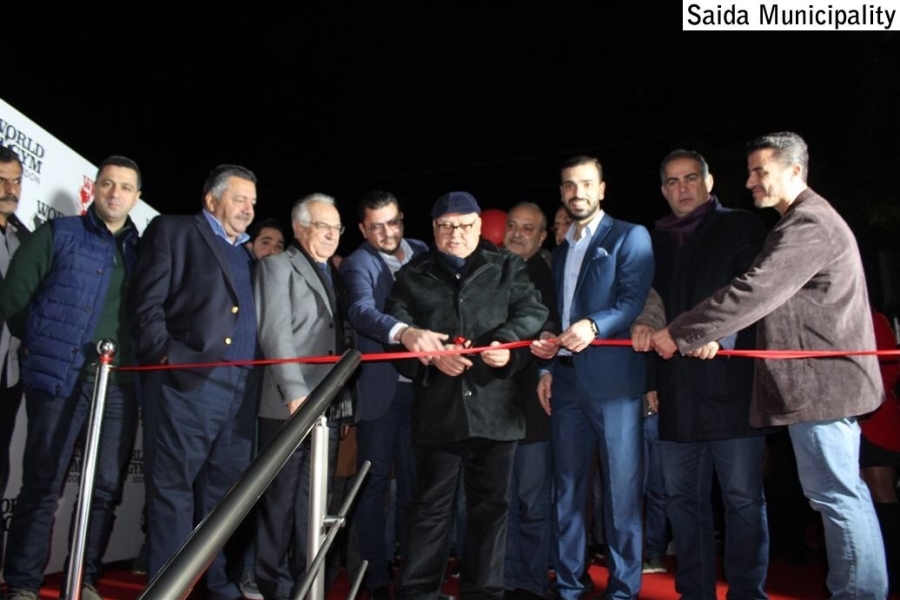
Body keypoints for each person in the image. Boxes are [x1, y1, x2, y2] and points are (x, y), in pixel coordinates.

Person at [650, 131, 888, 599]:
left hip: (821, 389)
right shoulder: (798, 221)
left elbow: (754, 290)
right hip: (815, 389)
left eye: (761, 171)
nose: (751, 181)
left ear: (795, 170)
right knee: (838, 496)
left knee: (837, 497)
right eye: (750, 171)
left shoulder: (809, 223)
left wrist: (681, 331)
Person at [386, 191, 548, 600]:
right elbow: (396, 328)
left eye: (463, 225)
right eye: (445, 226)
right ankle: (417, 593)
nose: (454, 233)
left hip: (497, 410)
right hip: (438, 412)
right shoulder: (413, 274)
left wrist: (505, 345)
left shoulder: (507, 266)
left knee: (490, 512)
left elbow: (532, 312)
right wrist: (429, 357)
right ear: (434, 229)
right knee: (429, 511)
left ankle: (484, 593)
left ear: (479, 227)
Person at [0, 155, 143, 600]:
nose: (115, 193)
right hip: (60, 379)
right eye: (108, 184)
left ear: (136, 197)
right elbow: (15, 295)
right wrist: (41, 342)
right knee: (43, 484)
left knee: (105, 489)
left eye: (125, 187)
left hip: (118, 387)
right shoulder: (58, 234)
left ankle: (83, 579)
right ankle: (23, 583)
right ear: (93, 189)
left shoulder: (143, 251)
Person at [632, 149, 770, 598]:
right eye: (672, 182)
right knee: (681, 500)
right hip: (675, 389)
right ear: (663, 190)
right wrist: (650, 374)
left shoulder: (741, 226)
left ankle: (747, 591)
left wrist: (719, 337)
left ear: (709, 183)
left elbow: (752, 292)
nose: (682, 188)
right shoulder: (654, 241)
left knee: (742, 499)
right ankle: (695, 591)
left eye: (690, 178)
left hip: (732, 387)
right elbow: (651, 299)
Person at [129, 164, 262, 600]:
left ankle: (218, 587)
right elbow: (145, 301)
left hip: (241, 388)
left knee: (224, 497)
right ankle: (168, 589)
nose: (248, 209)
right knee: (173, 490)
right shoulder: (174, 230)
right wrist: (166, 356)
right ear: (211, 199)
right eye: (239, 199)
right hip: (188, 382)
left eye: (252, 202)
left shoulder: (248, 254)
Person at [531, 155, 654, 600]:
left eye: (586, 184)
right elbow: (559, 316)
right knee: (567, 490)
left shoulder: (630, 235)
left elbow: (632, 299)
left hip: (615, 384)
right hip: (566, 383)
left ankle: (623, 589)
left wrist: (595, 326)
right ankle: (568, 584)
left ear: (602, 189)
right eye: (569, 185)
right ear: (562, 192)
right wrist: (548, 361)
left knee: (622, 492)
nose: (577, 192)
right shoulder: (563, 249)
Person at [339, 190, 446, 600]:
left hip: (426, 389)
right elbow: (361, 312)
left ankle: (413, 577)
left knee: (418, 486)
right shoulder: (358, 264)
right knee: (374, 484)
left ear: (402, 218)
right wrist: (404, 333)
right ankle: (376, 578)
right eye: (377, 226)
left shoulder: (423, 251)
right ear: (363, 229)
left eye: (393, 222)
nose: (387, 232)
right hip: (380, 392)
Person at [251, 192, 357, 599]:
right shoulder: (278, 266)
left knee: (314, 503)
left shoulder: (334, 274)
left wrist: (341, 402)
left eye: (336, 227)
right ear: (299, 228)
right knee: (279, 502)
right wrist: (295, 394)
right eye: (321, 226)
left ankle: (308, 582)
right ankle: (270, 584)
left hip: (327, 405)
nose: (331, 234)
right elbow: (275, 332)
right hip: (288, 404)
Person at [501, 202, 559, 600]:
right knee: (500, 504)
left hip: (536, 407)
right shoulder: (489, 270)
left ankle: (533, 582)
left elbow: (551, 327)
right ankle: (506, 581)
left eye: (527, 228)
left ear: (541, 238)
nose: (517, 234)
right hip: (493, 408)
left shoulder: (549, 277)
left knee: (534, 502)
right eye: (512, 226)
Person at [0, 145, 30, 584]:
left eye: (17, 181)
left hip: (9, 375)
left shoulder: (25, 238)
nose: (10, 189)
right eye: (2, 180)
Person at [861, 310, 900, 594]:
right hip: (842, 422)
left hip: (875, 420)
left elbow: (891, 367)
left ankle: (893, 571)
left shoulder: (873, 318)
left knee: (882, 494)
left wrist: (865, 401)